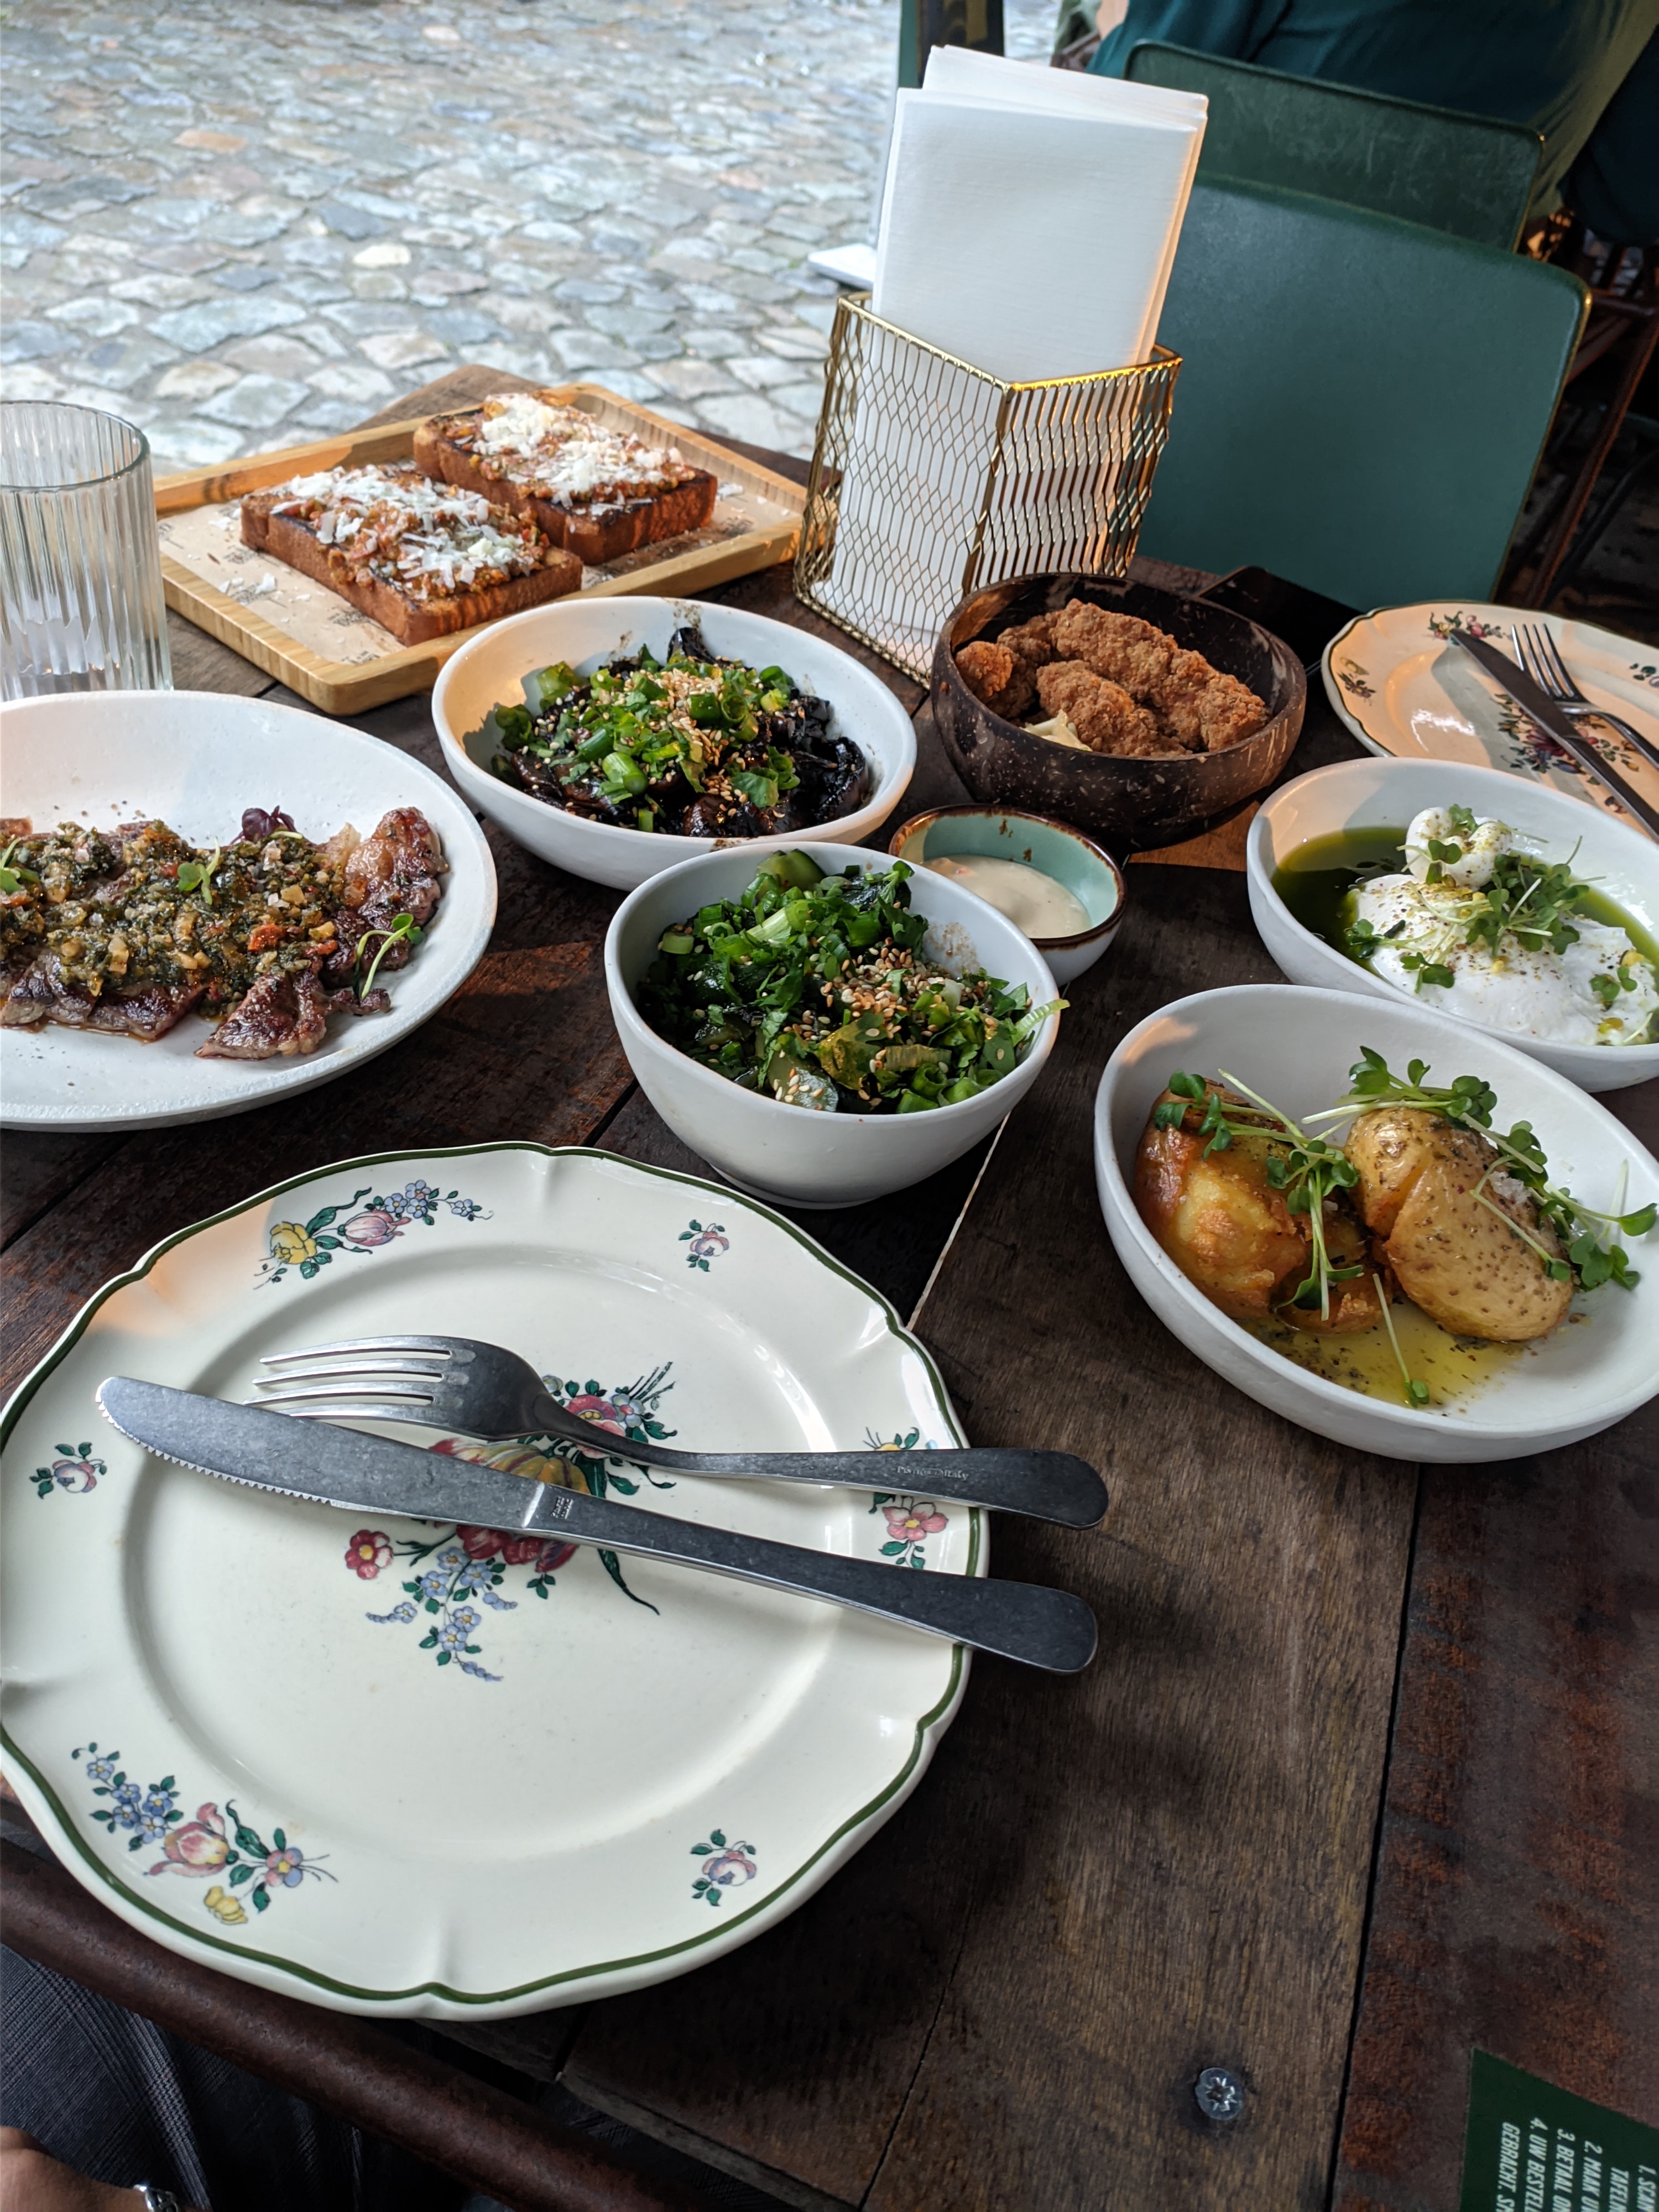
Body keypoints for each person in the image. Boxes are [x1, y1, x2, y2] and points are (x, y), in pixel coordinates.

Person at [1073, 0, 1659, 241]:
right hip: (1469, 377)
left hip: (1185, 315)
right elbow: (1630, 201)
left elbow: (1127, 107)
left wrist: (1115, 26)